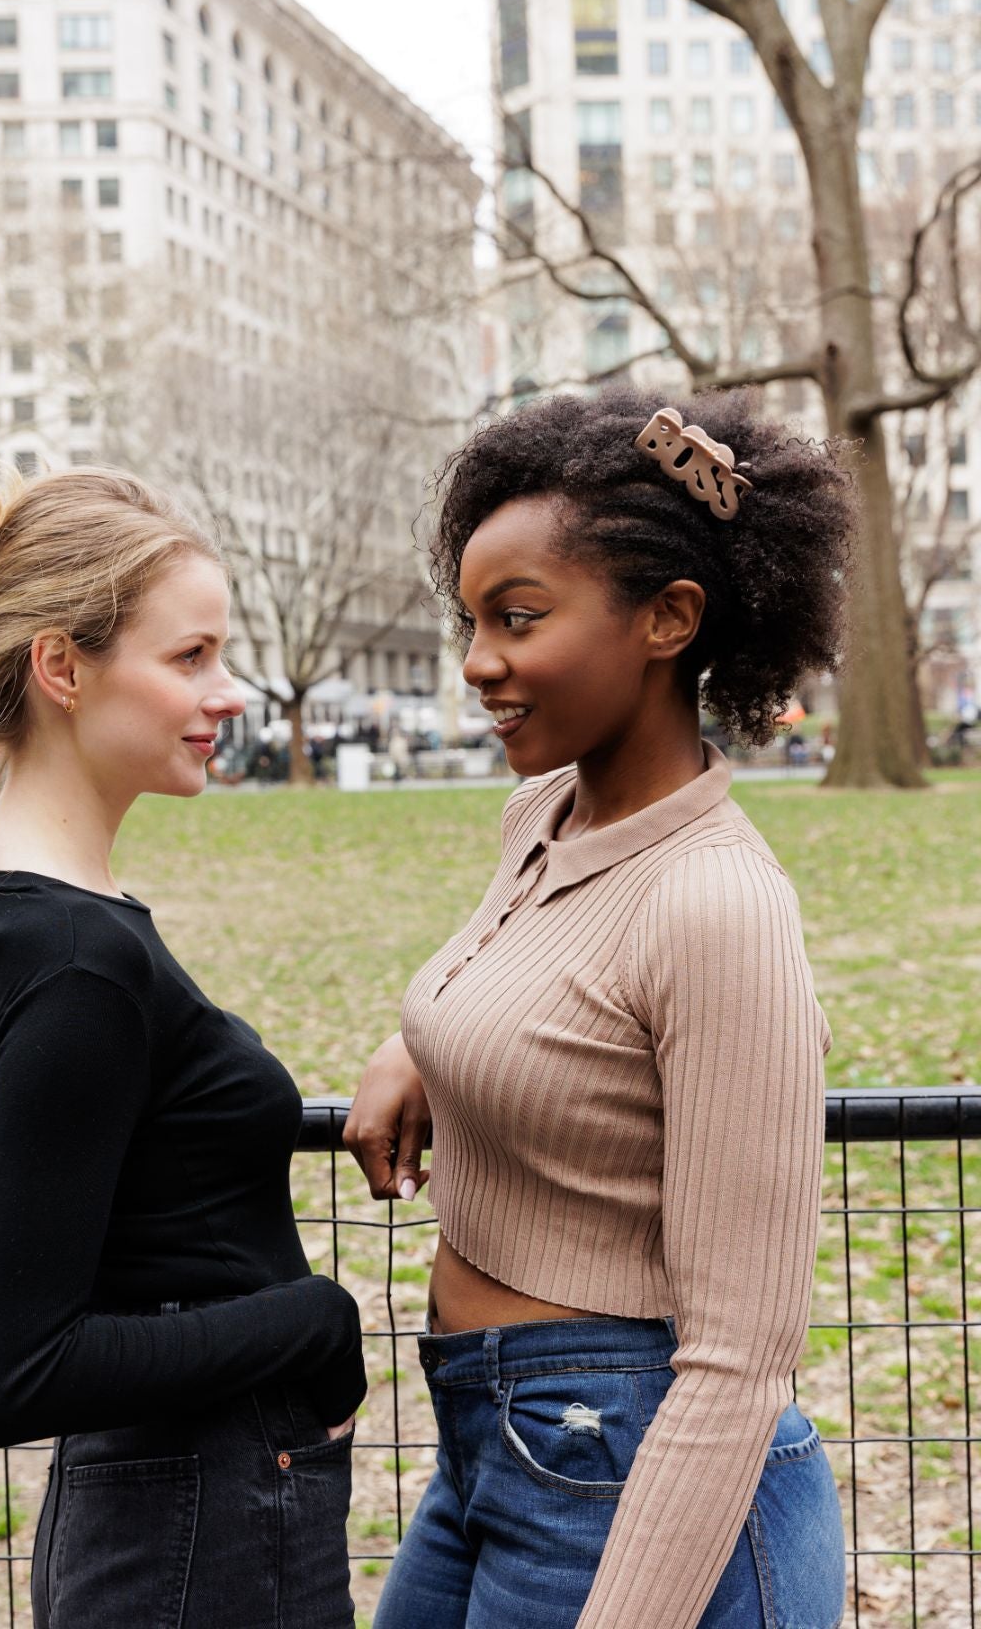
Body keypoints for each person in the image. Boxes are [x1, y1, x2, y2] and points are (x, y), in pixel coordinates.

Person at [344, 389, 852, 1629]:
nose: (478, 662)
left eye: (518, 619)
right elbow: (537, 983)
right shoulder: (545, 819)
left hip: (627, 1456)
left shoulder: (718, 906)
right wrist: (418, 1044)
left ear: (669, 621)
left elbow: (739, 1361)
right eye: (470, 621)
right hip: (489, 1435)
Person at [0, 463, 365, 1629]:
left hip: (170, 1504)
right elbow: (20, 1370)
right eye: (190, 658)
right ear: (63, 667)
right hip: (200, 1518)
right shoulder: (76, 958)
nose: (229, 696)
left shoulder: (20, 907)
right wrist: (316, 1320)